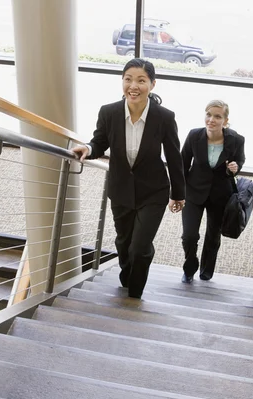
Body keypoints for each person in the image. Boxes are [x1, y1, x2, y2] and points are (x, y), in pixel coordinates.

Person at [72, 58, 185, 299]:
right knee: (123, 243)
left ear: (152, 85)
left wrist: (178, 194)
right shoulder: (109, 112)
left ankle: (135, 292)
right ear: (122, 82)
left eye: (141, 80)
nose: (133, 86)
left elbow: (174, 156)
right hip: (121, 188)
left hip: (153, 190)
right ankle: (127, 275)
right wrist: (88, 149)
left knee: (140, 247)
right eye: (128, 79)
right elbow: (99, 141)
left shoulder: (164, 117)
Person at [181, 100, 245, 283]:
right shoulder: (194, 136)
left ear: (225, 120)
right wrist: (177, 193)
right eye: (209, 115)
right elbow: (182, 164)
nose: (212, 119)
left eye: (218, 116)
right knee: (189, 235)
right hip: (194, 192)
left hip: (220, 194)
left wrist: (235, 167)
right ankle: (190, 265)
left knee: (213, 235)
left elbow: (240, 161)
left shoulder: (236, 139)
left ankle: (206, 271)